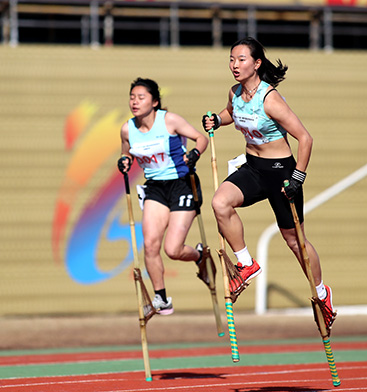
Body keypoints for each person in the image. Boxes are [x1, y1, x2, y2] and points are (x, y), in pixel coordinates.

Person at [202, 37, 335, 331]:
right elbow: (230, 113)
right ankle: (246, 263)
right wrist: (216, 119)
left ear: (257, 63)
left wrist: (298, 177)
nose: (234, 65)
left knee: (293, 240)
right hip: (253, 168)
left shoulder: (269, 99)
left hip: (281, 173)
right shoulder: (235, 92)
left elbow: (305, 138)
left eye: (241, 60)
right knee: (219, 203)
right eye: (232, 59)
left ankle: (323, 294)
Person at [118, 77, 211, 315]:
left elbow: (200, 139)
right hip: (155, 188)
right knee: (150, 245)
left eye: (141, 97)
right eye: (132, 97)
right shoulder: (128, 129)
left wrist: (194, 154)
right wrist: (125, 161)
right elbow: (126, 152)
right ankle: (161, 298)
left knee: (173, 249)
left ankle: (200, 256)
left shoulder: (169, 121)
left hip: (181, 184)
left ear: (155, 102)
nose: (135, 102)